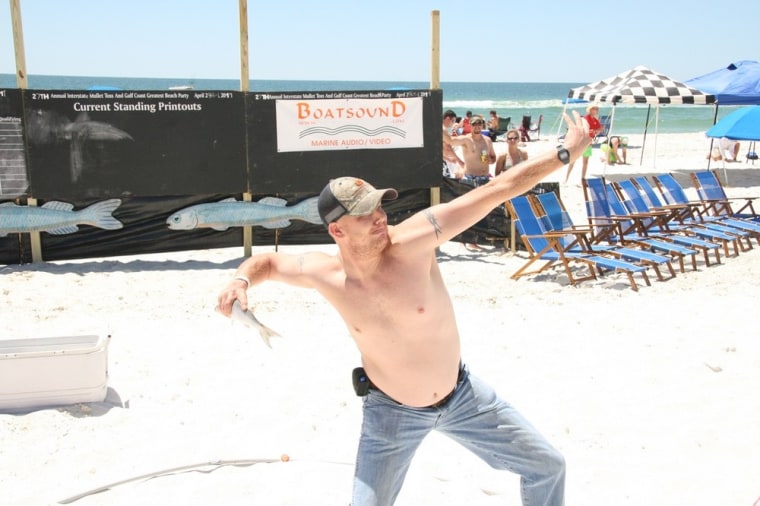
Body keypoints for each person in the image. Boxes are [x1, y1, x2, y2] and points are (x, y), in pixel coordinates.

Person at [216, 111, 591, 506]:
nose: (379, 217)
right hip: (391, 414)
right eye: (364, 213)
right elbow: (269, 263)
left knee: (548, 466)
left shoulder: (415, 240)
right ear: (337, 230)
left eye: (379, 205)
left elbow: (496, 190)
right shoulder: (326, 273)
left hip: (463, 397)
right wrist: (240, 280)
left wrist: (563, 154)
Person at [445, 115, 496, 187]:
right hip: (470, 179)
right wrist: (441, 128)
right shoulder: (466, 140)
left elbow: (494, 158)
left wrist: (490, 160)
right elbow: (450, 140)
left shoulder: (488, 140)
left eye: (479, 124)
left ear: (482, 125)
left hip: (485, 178)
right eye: (474, 124)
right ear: (470, 125)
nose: (477, 126)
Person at [564, 103, 603, 182]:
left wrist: (598, 130)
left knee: (585, 162)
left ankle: (582, 179)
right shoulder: (585, 118)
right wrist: (595, 131)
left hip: (589, 143)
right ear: (590, 110)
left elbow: (597, 131)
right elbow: (585, 131)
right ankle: (566, 178)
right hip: (580, 143)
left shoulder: (595, 120)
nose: (596, 111)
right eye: (594, 109)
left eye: (596, 109)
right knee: (573, 161)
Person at [442, 109, 464, 178]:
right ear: (448, 118)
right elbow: (447, 147)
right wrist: (459, 161)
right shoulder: (443, 129)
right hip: (443, 160)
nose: (453, 123)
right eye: (453, 121)